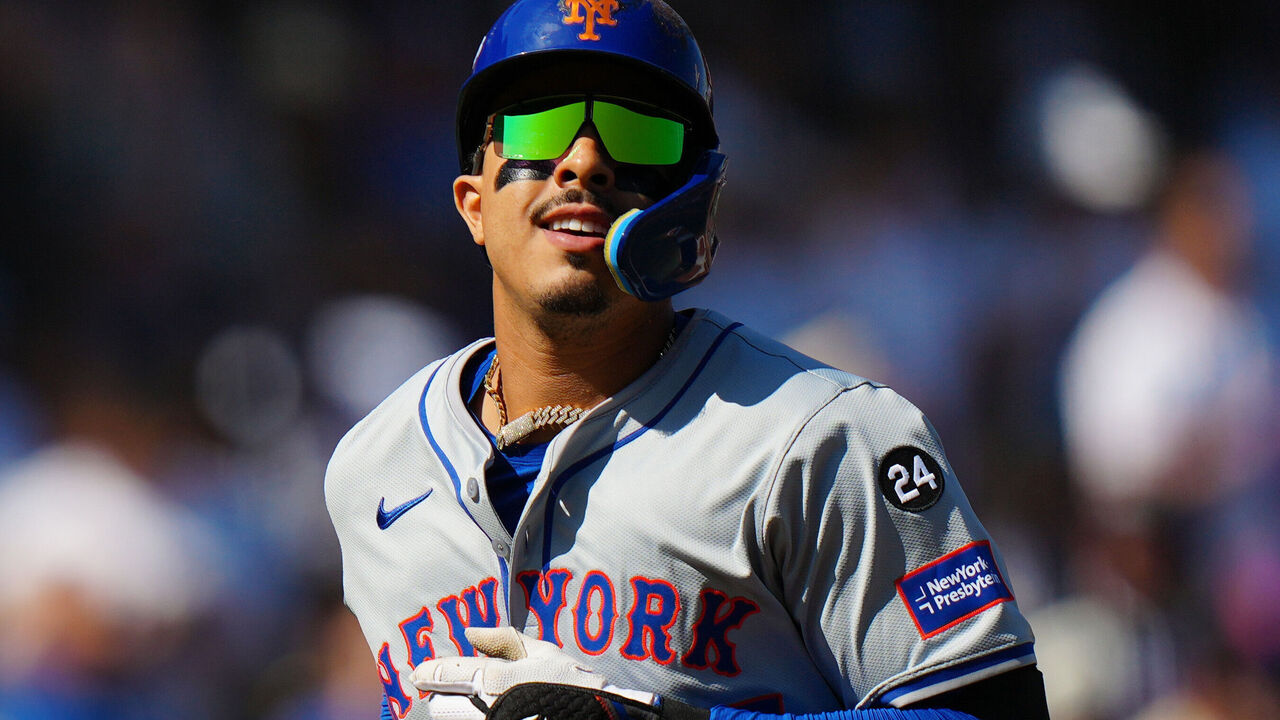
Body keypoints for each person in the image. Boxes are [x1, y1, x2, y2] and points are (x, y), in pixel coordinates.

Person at [325, 2, 1050, 719]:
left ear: (691, 202)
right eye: (539, 125)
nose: (583, 162)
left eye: (636, 132)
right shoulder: (372, 470)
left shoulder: (824, 439)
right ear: (473, 203)